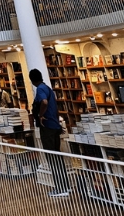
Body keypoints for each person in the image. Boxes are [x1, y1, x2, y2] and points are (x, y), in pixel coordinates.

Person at [31, 69, 69, 197]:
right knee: (57, 156)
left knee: (52, 157)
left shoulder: (40, 89)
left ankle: (60, 188)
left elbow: (44, 102)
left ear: (32, 80)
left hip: (47, 127)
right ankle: (65, 185)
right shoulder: (48, 89)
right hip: (54, 125)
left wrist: (41, 115)